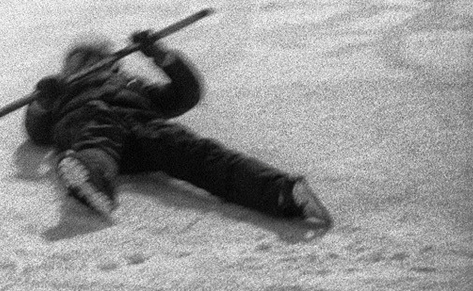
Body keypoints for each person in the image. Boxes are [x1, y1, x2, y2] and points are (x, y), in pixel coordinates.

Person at [24, 31, 333, 227]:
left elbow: (184, 95)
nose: (84, 67)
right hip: (90, 124)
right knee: (97, 140)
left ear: (114, 64)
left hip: (145, 128)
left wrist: (164, 57)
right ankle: (90, 181)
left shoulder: (134, 86)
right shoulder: (61, 94)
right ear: (66, 69)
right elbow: (38, 130)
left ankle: (281, 193)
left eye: (96, 60)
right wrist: (43, 103)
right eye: (76, 63)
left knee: (197, 152)